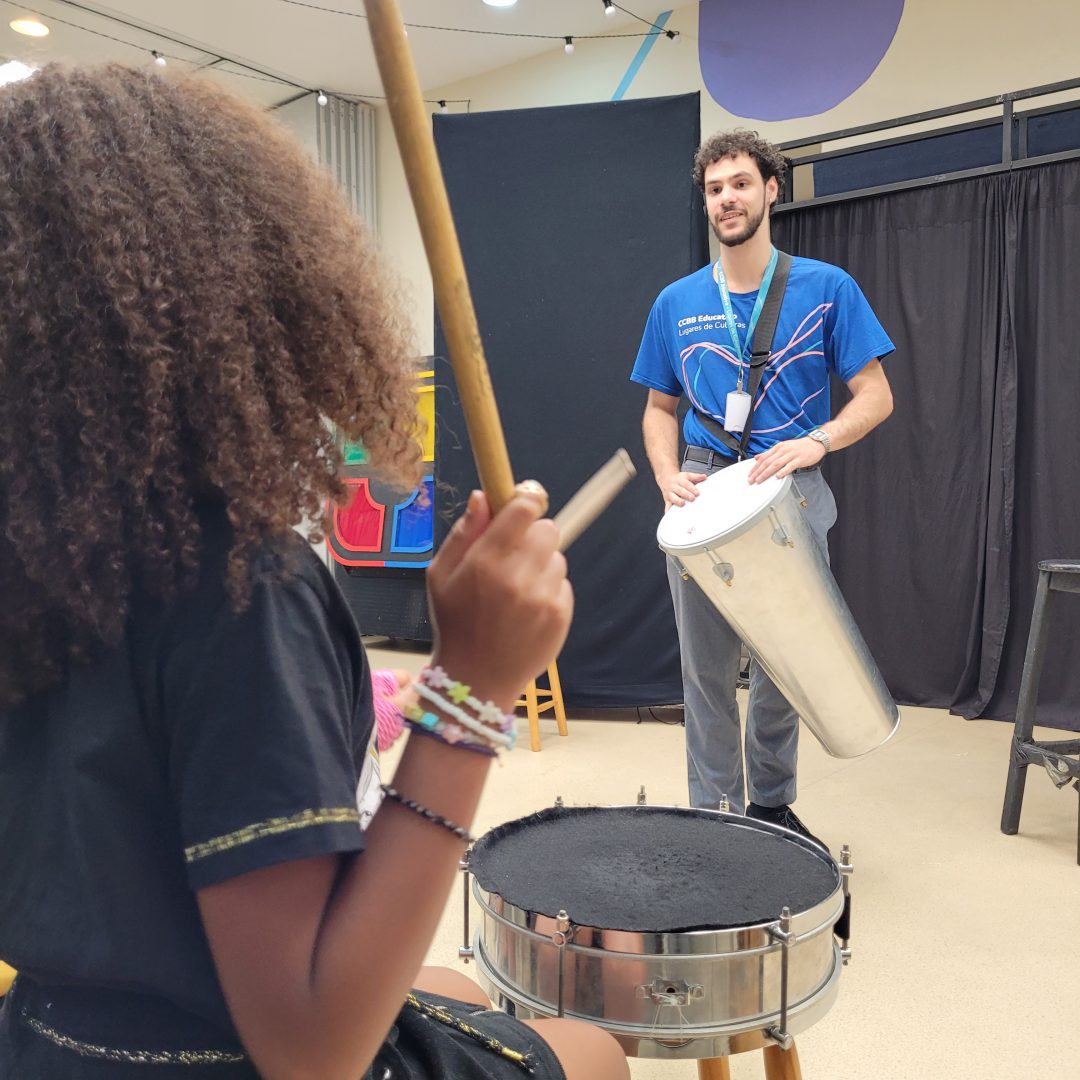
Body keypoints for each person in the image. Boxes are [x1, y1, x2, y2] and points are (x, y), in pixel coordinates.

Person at [0, 65, 630, 1080]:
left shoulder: (42, 554)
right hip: (218, 1054)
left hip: (55, 1034)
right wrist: (468, 693)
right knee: (594, 1048)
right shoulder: (240, 588)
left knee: (462, 988)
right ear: (253, 292)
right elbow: (314, 1048)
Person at [630, 129, 894, 845]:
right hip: (705, 496)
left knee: (786, 672)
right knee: (706, 674)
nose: (727, 199)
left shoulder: (827, 288)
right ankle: (716, 820)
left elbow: (874, 395)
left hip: (792, 491)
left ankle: (771, 808)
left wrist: (818, 440)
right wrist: (663, 474)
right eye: (715, 189)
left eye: (741, 183)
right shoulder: (675, 302)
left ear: (771, 189)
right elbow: (658, 408)